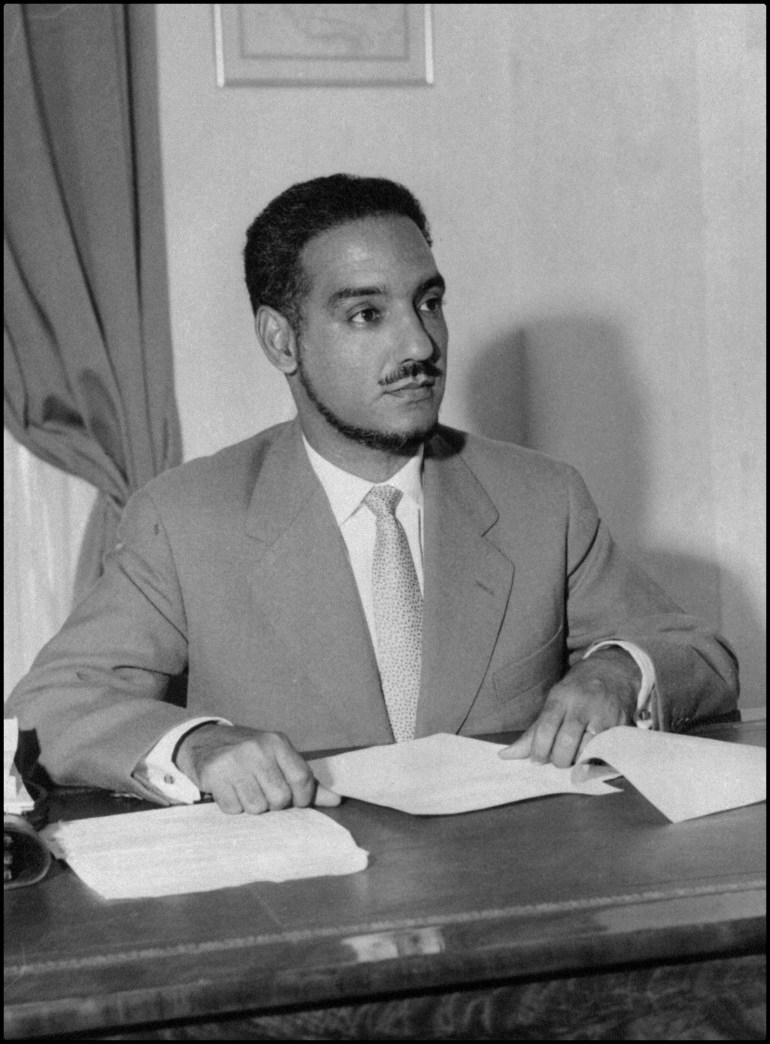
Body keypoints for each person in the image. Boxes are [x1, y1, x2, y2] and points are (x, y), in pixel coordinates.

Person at [7, 174, 739, 816]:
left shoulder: (543, 499)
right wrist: (199, 745)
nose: (420, 346)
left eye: (429, 302)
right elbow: (49, 707)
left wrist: (618, 671)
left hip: (510, 898)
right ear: (281, 342)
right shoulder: (186, 519)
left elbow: (697, 655)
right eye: (367, 314)